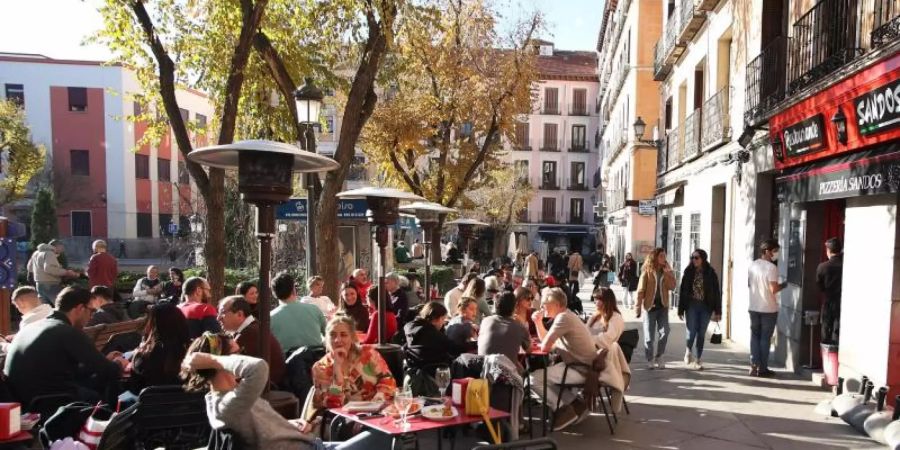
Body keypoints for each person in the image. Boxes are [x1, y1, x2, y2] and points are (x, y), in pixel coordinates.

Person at [182, 332, 392, 450]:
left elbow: (260, 430)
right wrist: (214, 359)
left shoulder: (231, 398)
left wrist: (286, 424)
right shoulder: (228, 405)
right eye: (238, 355)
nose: (339, 341)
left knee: (389, 432)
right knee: (391, 438)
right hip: (319, 439)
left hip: (312, 441)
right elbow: (259, 368)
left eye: (345, 335)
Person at [4, 287, 126, 405]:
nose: (92, 316)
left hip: (21, 398)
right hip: (49, 401)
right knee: (107, 389)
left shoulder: (33, 326)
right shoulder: (67, 331)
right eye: (92, 311)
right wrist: (120, 363)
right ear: (79, 308)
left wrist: (105, 361)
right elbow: (108, 371)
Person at [530, 287, 597, 431]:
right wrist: (538, 322)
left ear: (557, 305)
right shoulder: (567, 315)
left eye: (545, 304)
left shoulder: (563, 318)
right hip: (582, 365)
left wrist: (539, 326)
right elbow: (549, 343)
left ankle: (563, 410)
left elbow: (546, 347)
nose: (542, 307)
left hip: (580, 368)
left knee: (533, 379)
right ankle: (577, 405)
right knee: (544, 377)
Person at [218, 295, 285, 386]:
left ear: (239, 314)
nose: (218, 318)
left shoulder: (249, 334)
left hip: (266, 390)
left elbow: (232, 371)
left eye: (222, 312)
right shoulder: (253, 329)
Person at [129, 301, 190, 392]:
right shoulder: (192, 354)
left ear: (154, 325)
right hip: (188, 404)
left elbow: (135, 388)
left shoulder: (144, 356)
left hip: (150, 404)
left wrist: (135, 356)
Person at [748, 239, 787, 377]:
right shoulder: (771, 268)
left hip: (753, 307)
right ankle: (762, 368)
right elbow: (773, 289)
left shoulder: (753, 265)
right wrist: (784, 285)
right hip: (768, 309)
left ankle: (753, 365)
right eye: (774, 251)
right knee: (765, 338)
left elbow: (750, 285)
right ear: (767, 251)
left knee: (754, 337)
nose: (776, 254)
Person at [678, 249, 722, 370]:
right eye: (692, 258)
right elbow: (682, 292)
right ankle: (688, 351)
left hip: (706, 306)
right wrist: (680, 309)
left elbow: (716, 293)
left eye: (696, 258)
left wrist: (718, 311)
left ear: (703, 259)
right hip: (691, 305)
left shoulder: (710, 273)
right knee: (691, 331)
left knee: (701, 333)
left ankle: (698, 359)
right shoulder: (688, 272)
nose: (694, 260)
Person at [403, 302, 473, 376]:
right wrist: (474, 344)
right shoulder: (433, 335)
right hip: (436, 373)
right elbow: (455, 349)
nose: (443, 323)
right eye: (443, 319)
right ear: (437, 319)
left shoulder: (409, 328)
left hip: (415, 371)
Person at [635, 248, 676, 370]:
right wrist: (637, 308)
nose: (664, 258)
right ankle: (650, 358)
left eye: (665, 256)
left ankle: (659, 356)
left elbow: (672, 287)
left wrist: (669, 274)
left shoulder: (666, 271)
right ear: (655, 257)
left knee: (665, 331)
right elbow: (641, 291)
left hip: (662, 307)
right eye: (662, 256)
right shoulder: (647, 272)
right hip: (650, 308)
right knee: (649, 336)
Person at [270, 271, 326, 353]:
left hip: (286, 363)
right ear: (293, 290)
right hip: (316, 361)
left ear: (274, 293)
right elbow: (329, 335)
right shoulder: (315, 310)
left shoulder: (270, 318)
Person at [478, 291, 530, 370]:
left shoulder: (485, 321)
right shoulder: (518, 325)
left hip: (483, 371)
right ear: (514, 307)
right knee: (522, 369)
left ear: (495, 305)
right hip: (506, 375)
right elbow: (529, 349)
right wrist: (522, 323)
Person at [28, 240, 78, 305]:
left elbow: (29, 267)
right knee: (61, 306)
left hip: (39, 285)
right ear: (57, 246)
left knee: (45, 308)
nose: (62, 250)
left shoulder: (36, 253)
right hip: (51, 284)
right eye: (62, 247)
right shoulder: (49, 253)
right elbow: (49, 268)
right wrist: (66, 272)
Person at [816, 237, 843, 345]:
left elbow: (819, 285)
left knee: (826, 329)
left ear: (828, 251)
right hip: (842, 303)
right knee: (838, 330)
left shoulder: (823, 267)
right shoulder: (846, 266)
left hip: (829, 301)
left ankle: (827, 358)